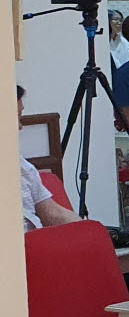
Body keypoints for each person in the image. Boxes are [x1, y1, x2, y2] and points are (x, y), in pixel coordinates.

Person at [19, 88, 80, 232]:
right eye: (15, 116)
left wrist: (92, 231)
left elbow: (53, 214)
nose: (20, 126)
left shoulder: (21, 165)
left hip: (38, 241)